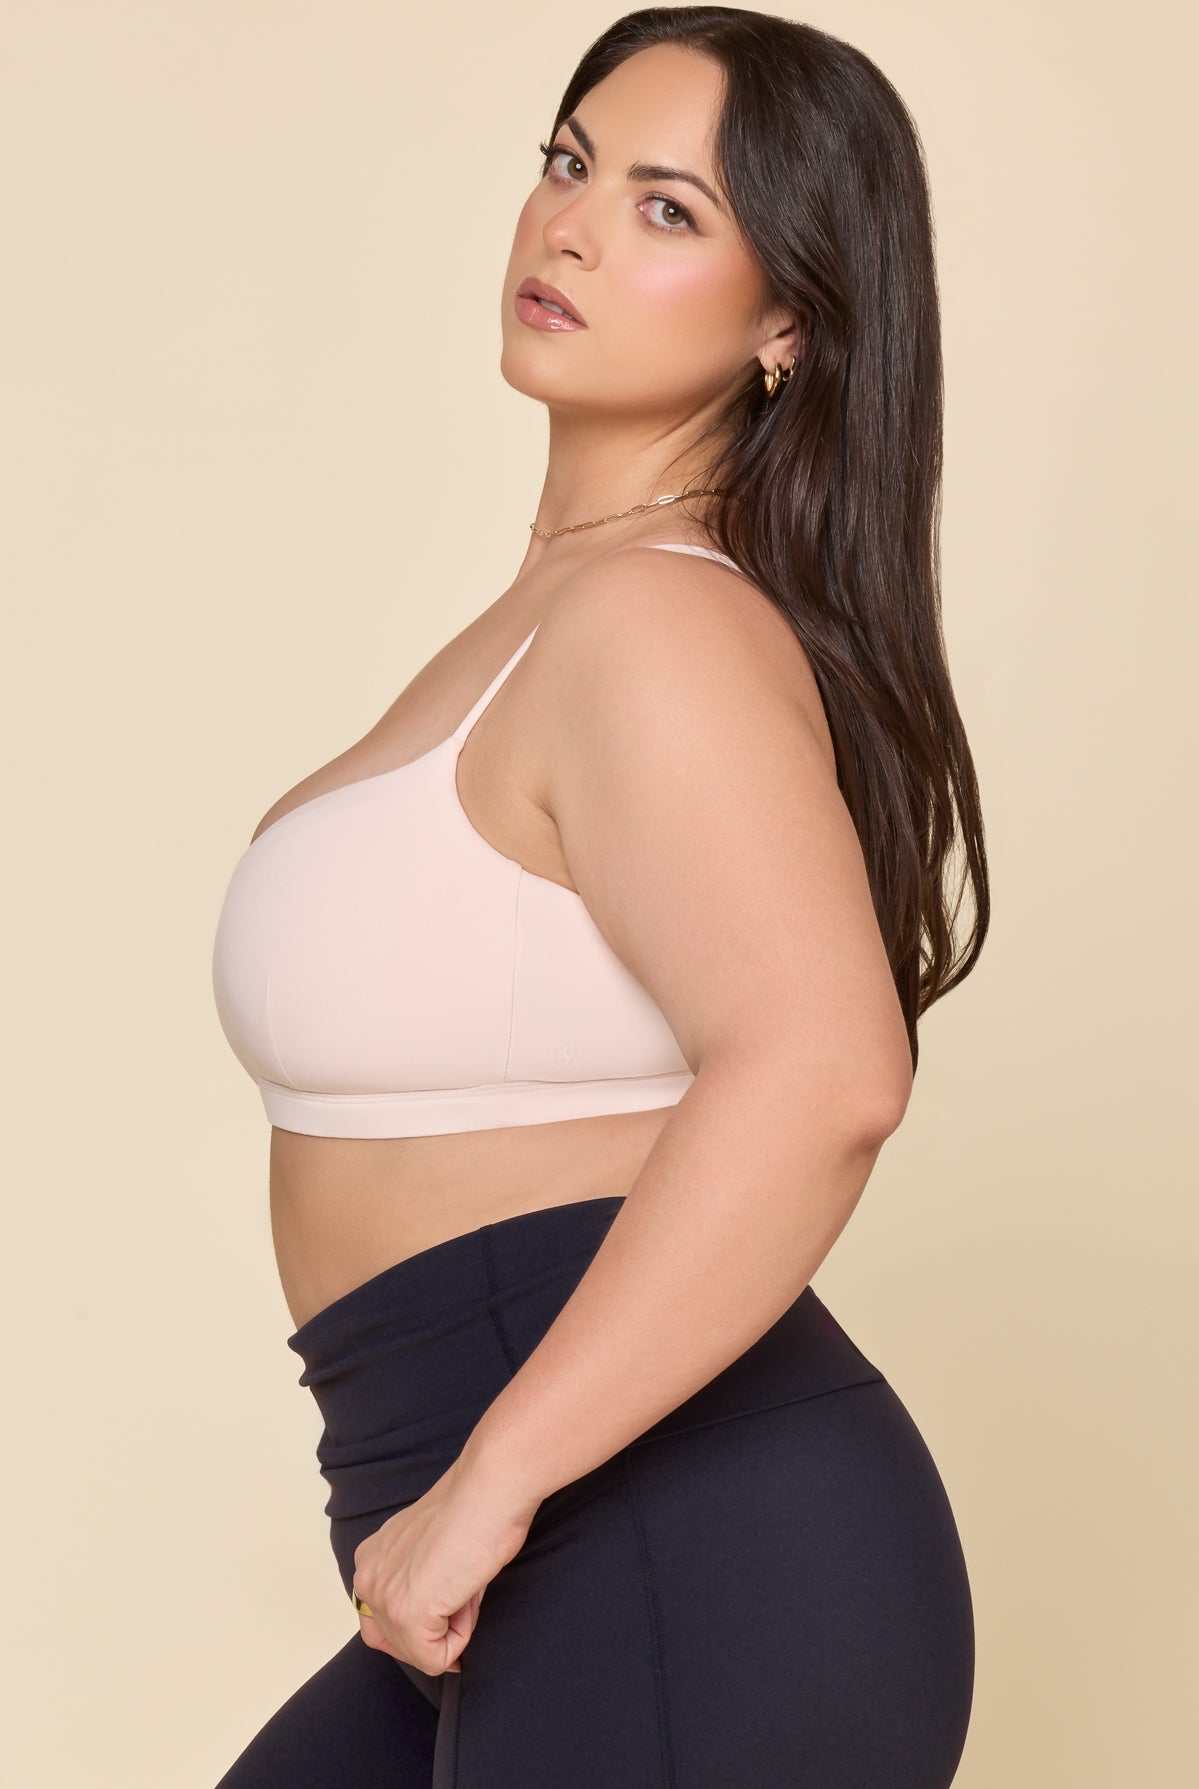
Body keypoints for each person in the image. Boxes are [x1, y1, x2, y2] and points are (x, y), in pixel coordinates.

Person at [210, 9, 989, 1785]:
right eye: (570, 163)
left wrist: (491, 1478)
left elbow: (825, 1071)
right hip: (535, 1547)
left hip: (680, 1548)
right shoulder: (564, 612)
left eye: (666, 208)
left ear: (789, 322)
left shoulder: (657, 620)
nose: (568, 225)